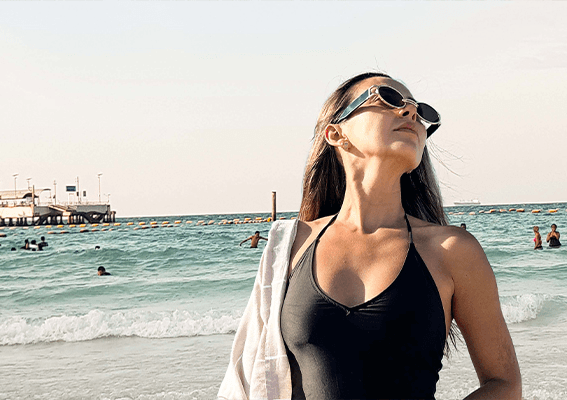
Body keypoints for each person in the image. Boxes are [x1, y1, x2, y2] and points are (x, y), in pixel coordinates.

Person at [220, 73, 519, 399]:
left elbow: (504, 384)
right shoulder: (290, 245)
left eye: (422, 113)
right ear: (336, 133)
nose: (411, 113)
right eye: (389, 98)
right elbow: (256, 380)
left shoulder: (451, 250)